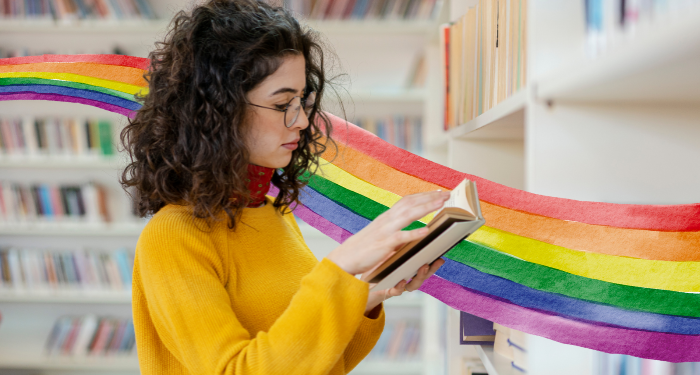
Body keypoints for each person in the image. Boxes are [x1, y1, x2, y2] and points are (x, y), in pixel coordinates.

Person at [120, 0, 448, 373]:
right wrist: (341, 267)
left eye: (302, 100)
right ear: (219, 110)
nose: (303, 121)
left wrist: (368, 295)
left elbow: (319, 363)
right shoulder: (172, 237)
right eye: (282, 104)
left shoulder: (271, 212)